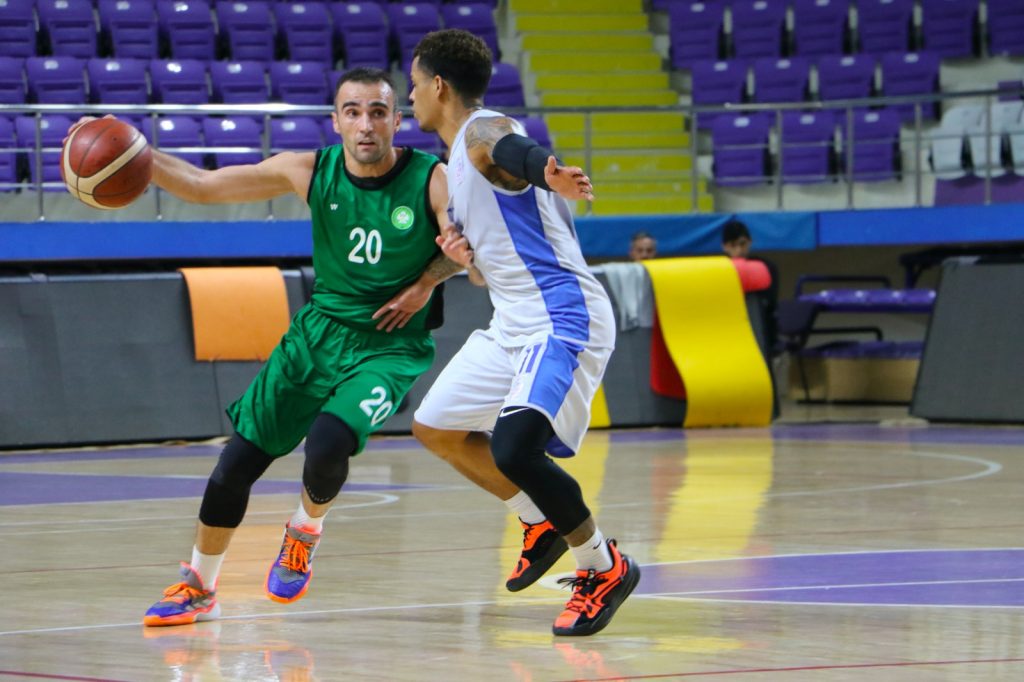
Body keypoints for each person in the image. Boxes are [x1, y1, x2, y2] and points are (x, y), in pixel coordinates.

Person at [70, 67, 465, 627]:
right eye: (352, 112)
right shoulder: (309, 170)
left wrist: (428, 280)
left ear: (396, 121)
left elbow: (460, 244)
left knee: (328, 442)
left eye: (378, 112)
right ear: (336, 122)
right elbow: (204, 186)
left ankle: (305, 529)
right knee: (236, 464)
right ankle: (199, 586)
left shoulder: (432, 177)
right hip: (317, 335)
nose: (365, 124)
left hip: (390, 345)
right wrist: (134, 152)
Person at [401, 28, 641, 637]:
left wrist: (547, 170)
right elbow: (487, 269)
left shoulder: (483, 130)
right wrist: (454, 263)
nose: (410, 97)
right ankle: (537, 519)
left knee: (513, 449)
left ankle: (603, 568)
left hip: (562, 316)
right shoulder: (455, 168)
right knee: (435, 426)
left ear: (438, 86)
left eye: (413, 85)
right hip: (511, 321)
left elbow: (513, 151)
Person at [721, 219, 780, 354]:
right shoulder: (719, 270)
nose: (739, 250)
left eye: (742, 244)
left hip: (761, 331)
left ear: (750, 242)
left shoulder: (766, 267)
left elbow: (769, 304)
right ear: (724, 247)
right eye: (733, 245)